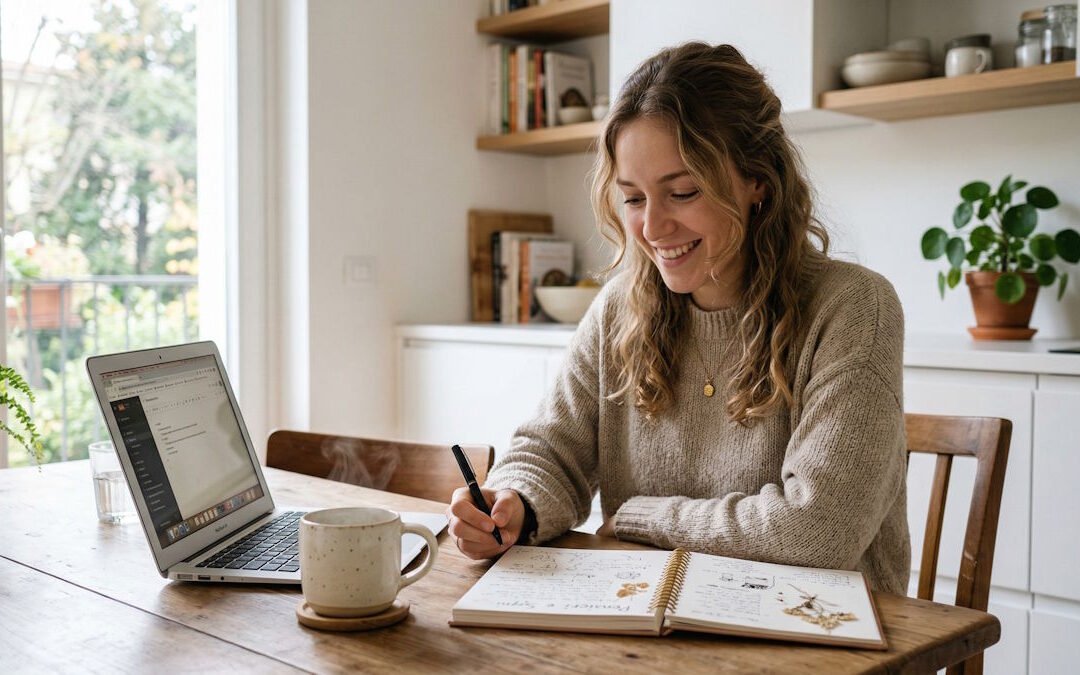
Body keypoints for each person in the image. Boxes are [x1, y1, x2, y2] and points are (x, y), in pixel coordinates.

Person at [447, 42, 910, 594]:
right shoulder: (620, 308)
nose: (652, 228)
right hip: (657, 625)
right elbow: (550, 450)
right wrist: (512, 503)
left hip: (821, 634)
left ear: (757, 180)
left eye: (683, 192)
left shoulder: (854, 308)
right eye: (634, 198)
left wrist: (643, 518)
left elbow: (818, 532)